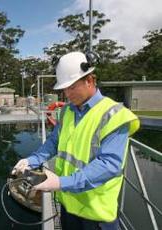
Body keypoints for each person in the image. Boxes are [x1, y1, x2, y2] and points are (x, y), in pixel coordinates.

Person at [12, 51, 140, 230]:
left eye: (71, 87)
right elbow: (53, 143)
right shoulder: (67, 111)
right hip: (68, 206)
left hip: (96, 214)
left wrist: (61, 183)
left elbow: (109, 165)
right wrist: (31, 160)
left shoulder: (114, 115)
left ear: (89, 80)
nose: (67, 93)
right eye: (64, 89)